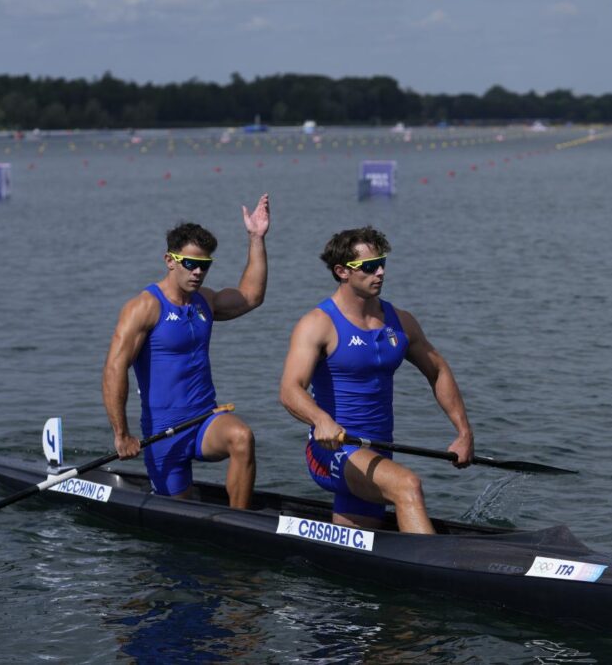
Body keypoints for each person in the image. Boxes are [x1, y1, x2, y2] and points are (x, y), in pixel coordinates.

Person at [279, 226, 474, 534]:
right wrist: (320, 419)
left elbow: (437, 370)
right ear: (342, 271)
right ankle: (431, 577)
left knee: (357, 541)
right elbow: (290, 390)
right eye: (369, 267)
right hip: (333, 449)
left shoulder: (400, 322)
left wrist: (463, 432)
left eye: (382, 263)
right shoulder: (317, 324)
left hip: (379, 449)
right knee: (407, 485)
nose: (380, 272)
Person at [102, 193, 271, 509]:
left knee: (242, 437)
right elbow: (114, 369)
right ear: (170, 261)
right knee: (176, 522)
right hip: (163, 433)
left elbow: (251, 296)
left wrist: (256, 238)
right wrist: (122, 435)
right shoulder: (144, 307)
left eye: (204, 266)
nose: (197, 272)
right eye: (190, 264)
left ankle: (240, 523)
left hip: (205, 421)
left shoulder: (204, 301)